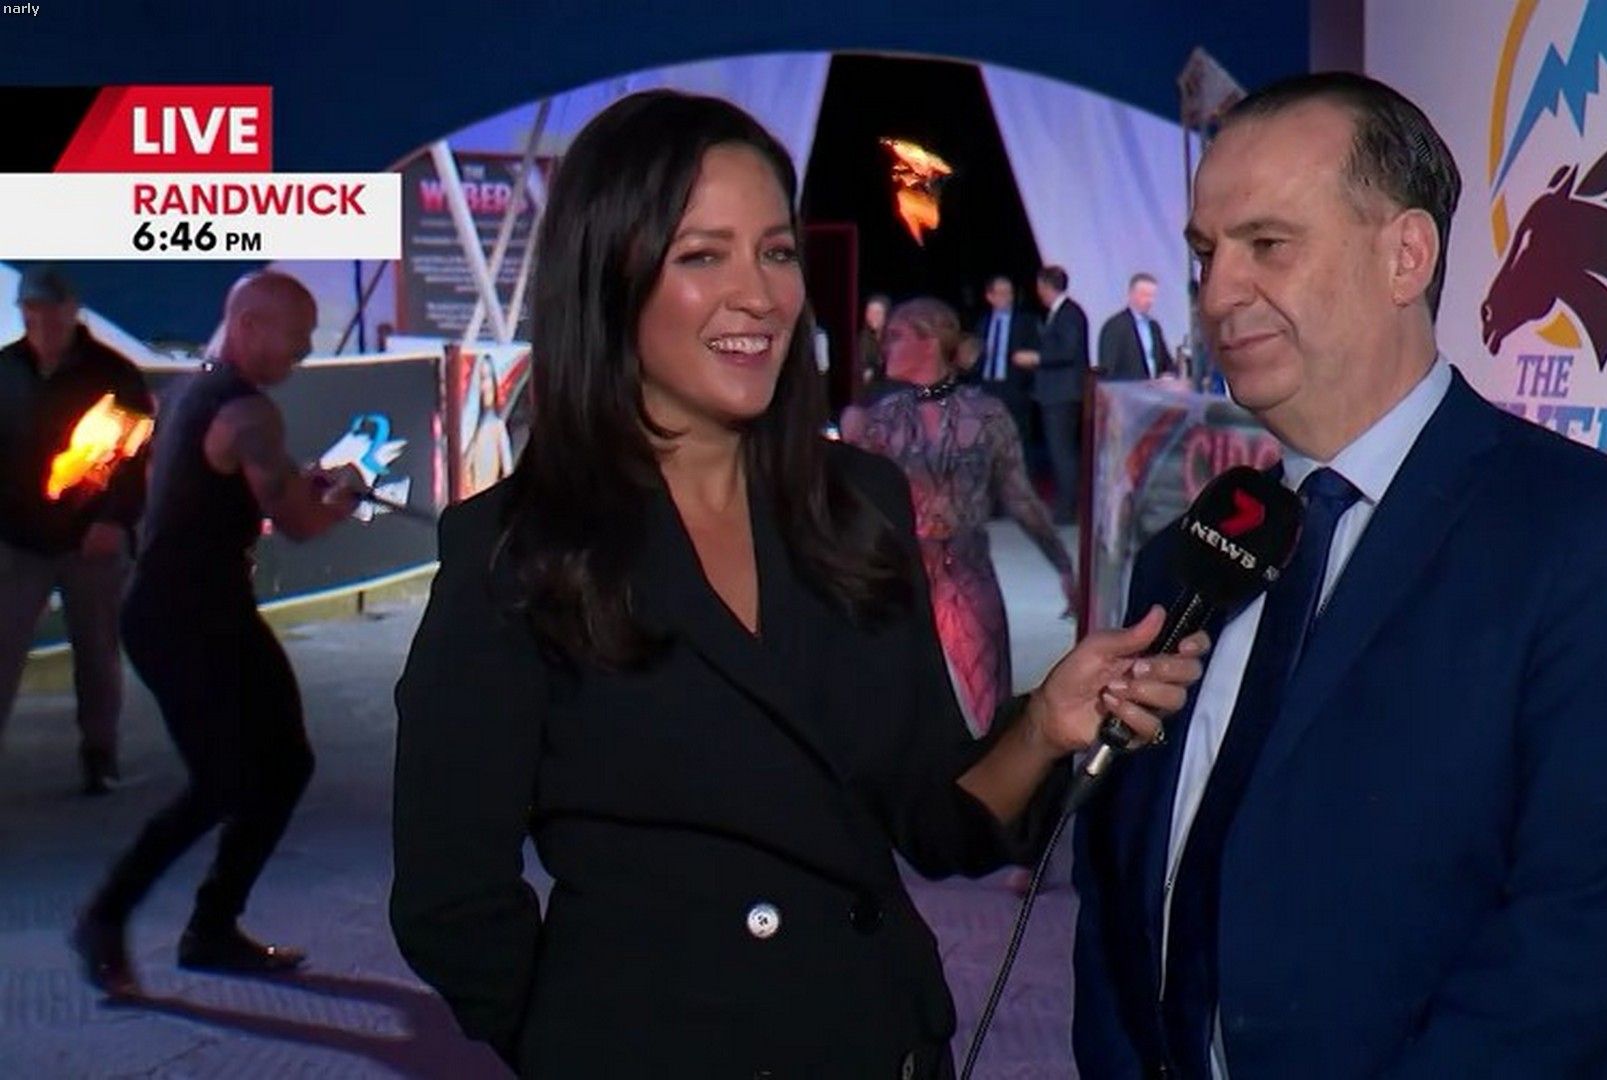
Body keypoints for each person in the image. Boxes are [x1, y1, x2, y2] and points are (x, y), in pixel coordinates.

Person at [387, 90, 1207, 1078]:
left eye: (776, 252)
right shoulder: (516, 550)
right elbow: (450, 897)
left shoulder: (858, 505)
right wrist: (582, 1045)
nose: (761, 296)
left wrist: (1041, 728)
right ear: (608, 277)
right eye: (703, 256)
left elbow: (932, 814)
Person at [1072, 72, 1607, 1078]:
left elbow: (1589, 925)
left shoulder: (1592, 536)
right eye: (1205, 253)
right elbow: (1116, 892)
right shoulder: (1186, 555)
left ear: (1406, 255)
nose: (1217, 292)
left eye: (1267, 245)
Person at [70, 271, 366, 996]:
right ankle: (108, 917)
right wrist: (344, 500)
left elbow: (228, 486)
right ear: (251, 326)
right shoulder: (249, 412)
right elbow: (298, 524)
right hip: (186, 618)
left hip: (195, 611)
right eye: (297, 339)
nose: (303, 354)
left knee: (282, 764)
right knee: (226, 778)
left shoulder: (190, 393)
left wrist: (305, 481)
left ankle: (211, 927)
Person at [848, 297, 1073, 736]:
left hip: (969, 576)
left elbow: (1021, 499)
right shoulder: (883, 419)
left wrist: (1064, 566)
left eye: (896, 336)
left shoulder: (986, 416)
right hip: (902, 581)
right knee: (898, 718)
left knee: (989, 717)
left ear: (930, 342)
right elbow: (852, 507)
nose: (885, 347)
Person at [0, 266, 153, 794]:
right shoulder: (4, 370)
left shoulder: (115, 374)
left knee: (96, 651)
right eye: (32, 309)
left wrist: (113, 521)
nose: (42, 320)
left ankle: (99, 752)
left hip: (92, 543)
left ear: (73, 311)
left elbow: (135, 460)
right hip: (18, 541)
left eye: (52, 309)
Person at [1030, 264, 1088, 523]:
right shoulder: (1060, 313)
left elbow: (1067, 350)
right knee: (1061, 450)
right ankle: (1065, 506)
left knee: (1062, 451)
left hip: (1062, 393)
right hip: (1057, 393)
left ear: (1046, 286)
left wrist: (1037, 358)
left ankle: (1067, 508)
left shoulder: (1069, 313)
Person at [963, 274, 1040, 451]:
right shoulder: (982, 322)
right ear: (990, 297)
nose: (1007, 298)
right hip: (986, 386)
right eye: (1001, 293)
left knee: (1017, 439)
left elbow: (1035, 354)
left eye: (1009, 293)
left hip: (1014, 387)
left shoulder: (1025, 322)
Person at [1096, 271, 1177, 382]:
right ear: (1131, 294)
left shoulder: (1154, 327)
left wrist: (1168, 375)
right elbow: (1109, 369)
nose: (1149, 300)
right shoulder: (1114, 327)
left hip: (1155, 389)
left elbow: (1166, 361)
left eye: (1152, 296)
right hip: (1129, 390)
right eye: (1145, 295)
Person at [461, 354, 514, 496]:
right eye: (483, 378)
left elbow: (508, 471)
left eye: (489, 378)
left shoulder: (498, 427)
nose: (486, 386)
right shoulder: (472, 429)